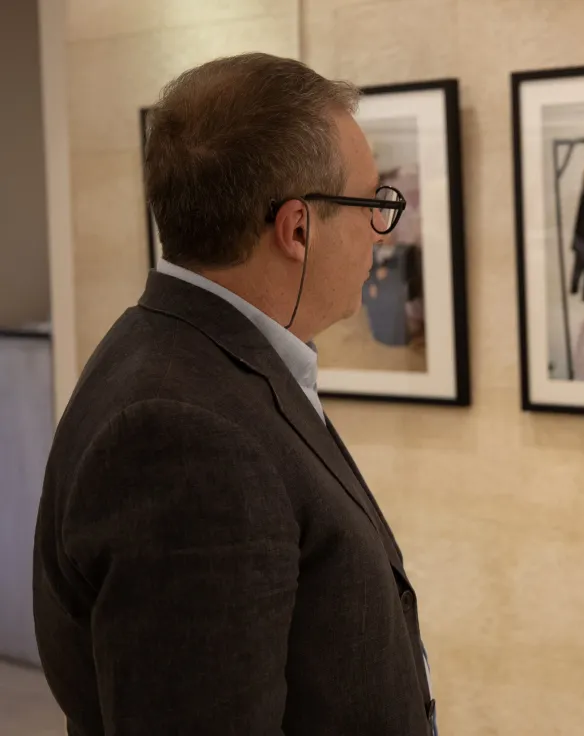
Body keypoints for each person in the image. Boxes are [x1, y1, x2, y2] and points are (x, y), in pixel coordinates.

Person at [32, 53, 437, 736]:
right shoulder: (183, 436)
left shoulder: (190, 359)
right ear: (297, 228)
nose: (379, 234)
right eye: (373, 205)